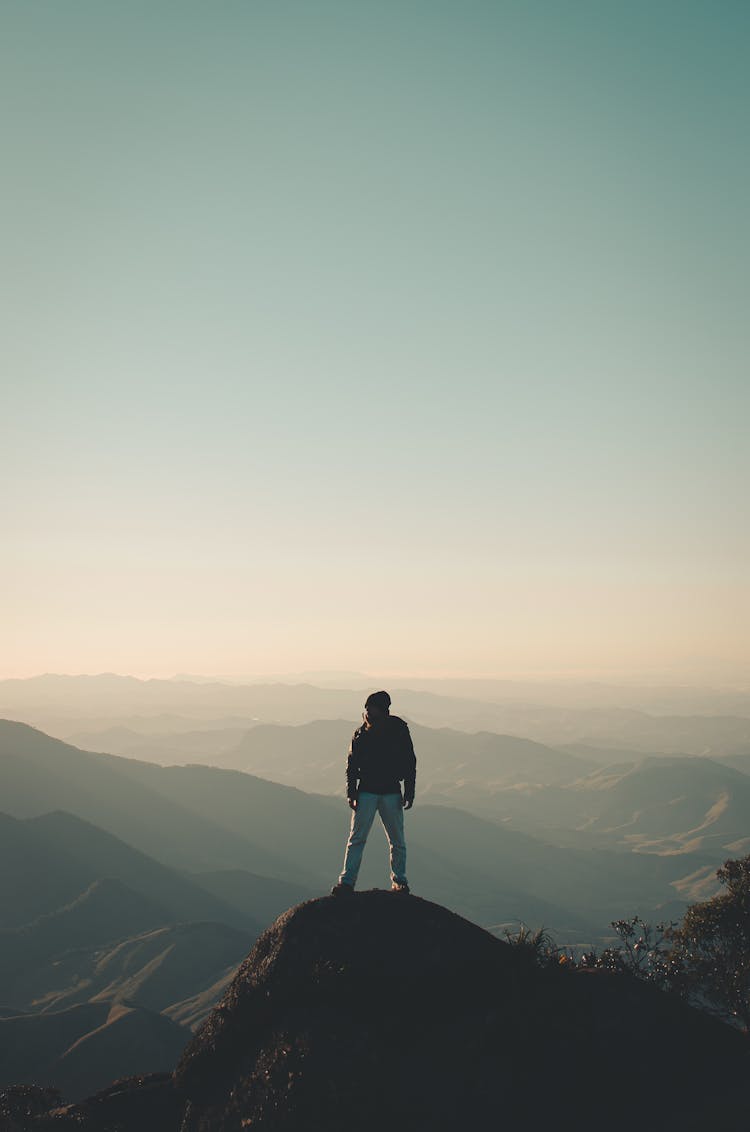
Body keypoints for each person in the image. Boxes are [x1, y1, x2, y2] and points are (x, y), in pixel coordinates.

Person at [331, 690, 416, 896]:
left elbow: (409, 760)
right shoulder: (362, 734)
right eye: (367, 707)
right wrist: (351, 792)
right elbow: (351, 766)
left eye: (372, 707)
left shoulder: (397, 730)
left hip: (384, 792)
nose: (368, 711)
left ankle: (397, 881)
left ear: (383, 709)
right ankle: (348, 882)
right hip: (372, 792)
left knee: (388, 840)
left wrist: (409, 791)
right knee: (366, 839)